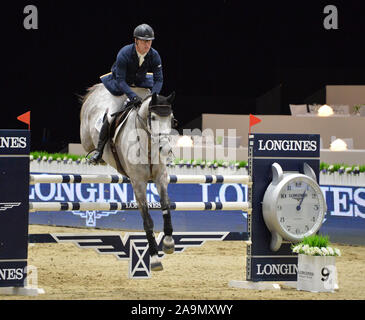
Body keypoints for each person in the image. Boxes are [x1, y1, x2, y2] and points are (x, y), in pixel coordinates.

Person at [89, 23, 163, 164]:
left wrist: (153, 98)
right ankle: (99, 151)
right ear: (136, 40)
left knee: (156, 113)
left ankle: (162, 149)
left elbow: (159, 80)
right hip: (121, 86)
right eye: (144, 41)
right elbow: (121, 81)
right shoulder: (124, 53)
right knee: (111, 116)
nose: (148, 44)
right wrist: (132, 96)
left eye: (150, 41)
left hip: (140, 84)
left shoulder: (154, 55)